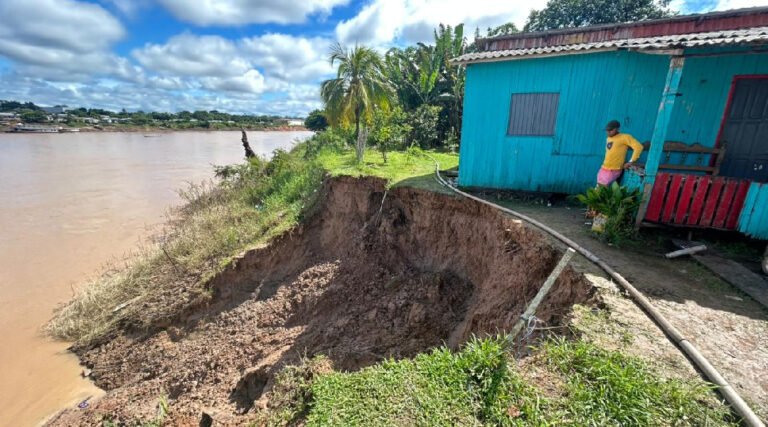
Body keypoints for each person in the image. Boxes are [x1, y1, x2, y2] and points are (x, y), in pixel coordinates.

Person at [597, 120, 643, 186]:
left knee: (601, 190)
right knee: (598, 189)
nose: (608, 132)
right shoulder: (608, 138)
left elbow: (639, 147)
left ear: (617, 129)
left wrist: (631, 162)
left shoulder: (625, 137)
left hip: (614, 170)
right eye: (607, 130)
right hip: (604, 168)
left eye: (610, 130)